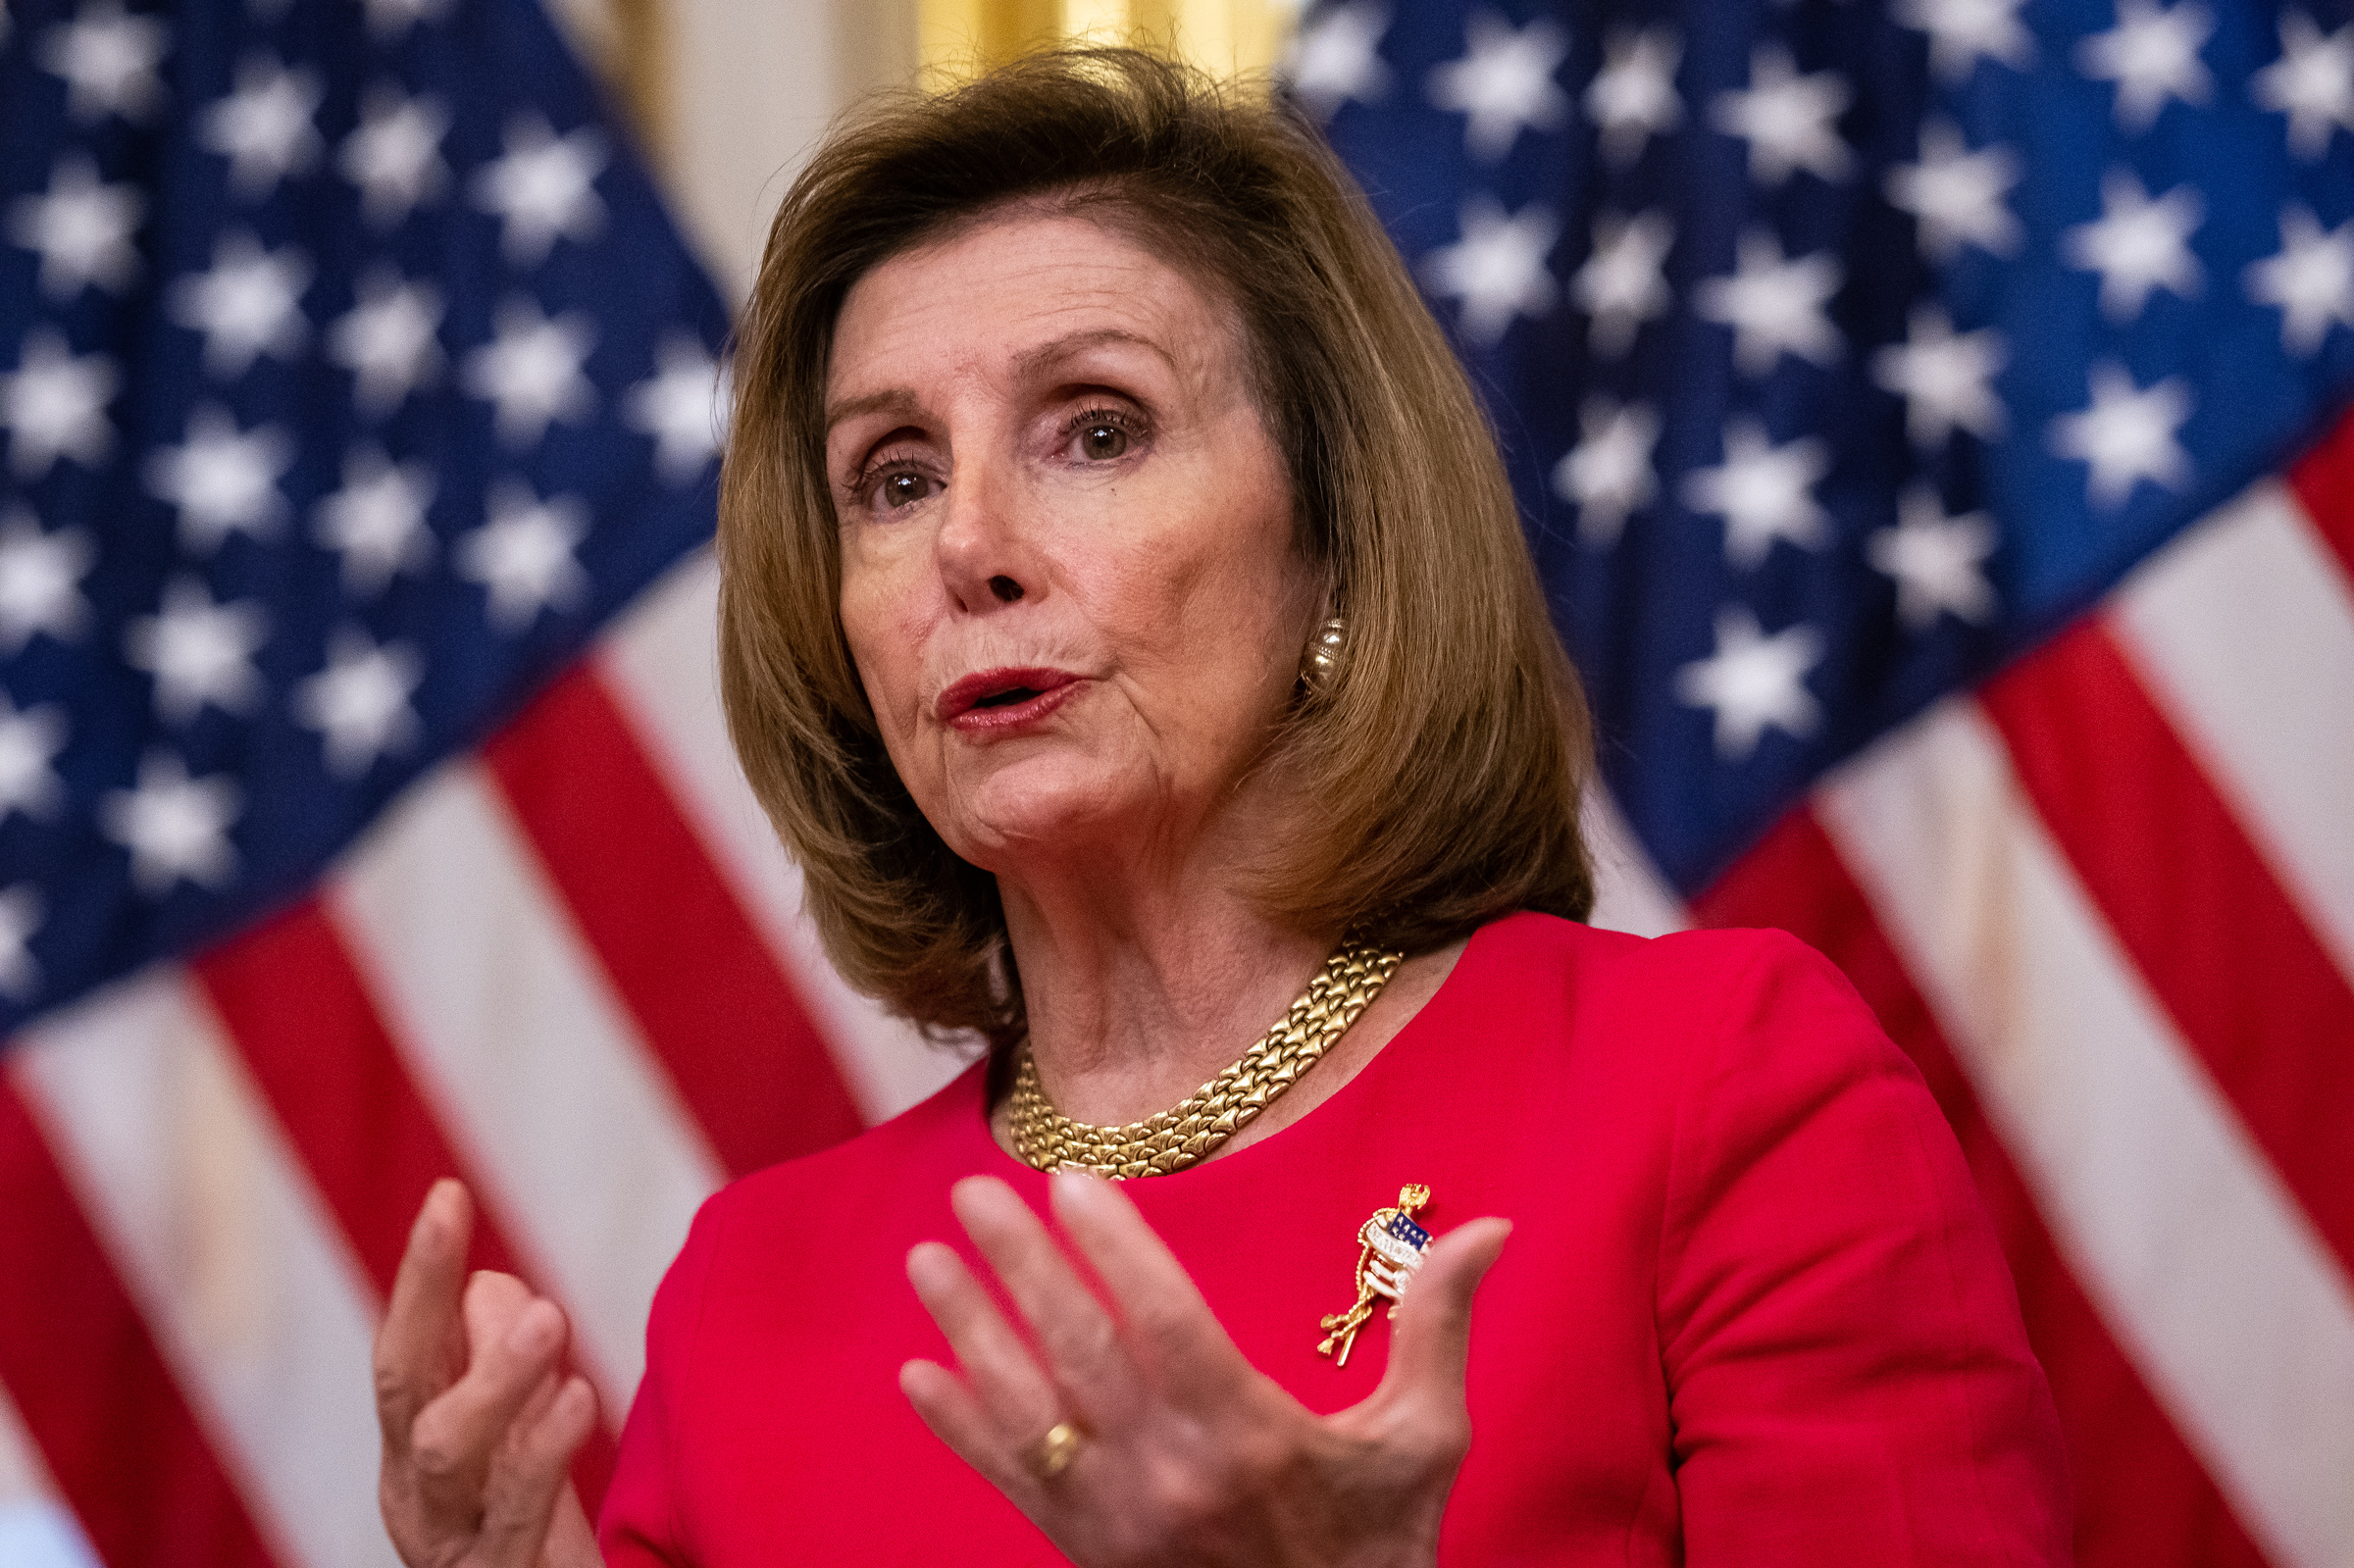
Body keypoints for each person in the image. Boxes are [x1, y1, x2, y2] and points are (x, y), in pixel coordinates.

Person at [373, 48, 2072, 1567]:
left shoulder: (1716, 1090)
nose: (969, 545)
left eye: (1095, 430)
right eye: (892, 477)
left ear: (1333, 543)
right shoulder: (754, 1295)